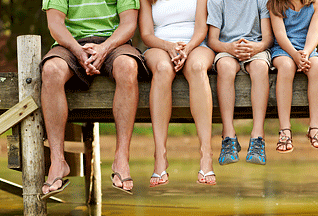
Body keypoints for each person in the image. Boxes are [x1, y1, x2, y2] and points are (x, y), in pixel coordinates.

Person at [40, 0, 148, 199]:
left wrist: (104, 48)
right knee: (51, 70)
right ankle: (58, 162)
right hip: (70, 43)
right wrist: (77, 50)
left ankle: (121, 159)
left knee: (128, 67)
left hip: (114, 43)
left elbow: (129, 24)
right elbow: (55, 23)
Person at [139, 0, 216, 186]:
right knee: (163, 69)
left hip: (196, 45)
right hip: (159, 46)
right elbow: (146, 34)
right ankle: (160, 155)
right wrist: (168, 46)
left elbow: (201, 29)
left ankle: (206, 155)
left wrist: (186, 49)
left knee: (198, 68)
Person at [207, 0, 274, 166]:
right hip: (227, 49)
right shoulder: (217, 1)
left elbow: (268, 39)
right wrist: (229, 48)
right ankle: (228, 135)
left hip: (255, 48)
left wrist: (256, 48)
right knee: (224, 67)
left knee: (260, 67)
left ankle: (258, 136)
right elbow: (213, 41)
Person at [267, 0, 318, 153]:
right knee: (286, 67)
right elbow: (280, 35)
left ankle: (315, 128)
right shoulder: (275, 4)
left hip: (307, 49)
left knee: (317, 66)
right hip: (283, 50)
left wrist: (305, 54)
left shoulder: (317, 5)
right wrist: (295, 55)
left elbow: (314, 34)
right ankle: (285, 130)